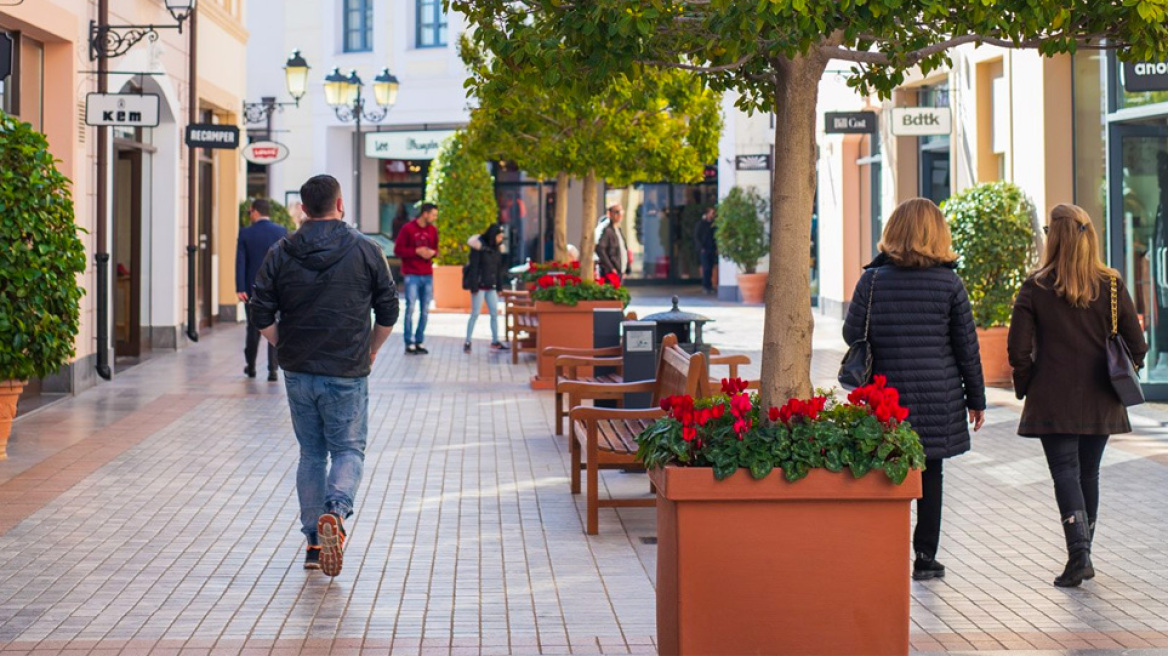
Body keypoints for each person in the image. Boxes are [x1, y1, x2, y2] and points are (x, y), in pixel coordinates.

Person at [250, 175, 399, 577]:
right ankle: (336, 511)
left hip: (299, 369)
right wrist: (371, 348)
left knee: (312, 453)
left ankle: (315, 543)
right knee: (349, 449)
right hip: (347, 368)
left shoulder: (281, 251)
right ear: (340, 204)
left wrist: (283, 344)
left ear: (302, 208)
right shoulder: (367, 250)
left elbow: (259, 310)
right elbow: (389, 309)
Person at [843, 197, 986, 582]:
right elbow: (966, 348)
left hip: (885, 395)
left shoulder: (872, 280)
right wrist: (977, 400)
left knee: (885, 469)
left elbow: (851, 333)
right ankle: (925, 557)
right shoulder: (949, 283)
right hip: (938, 396)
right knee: (930, 473)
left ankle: (883, 551)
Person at [1007, 204, 1147, 588]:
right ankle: (1083, 553)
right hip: (1102, 397)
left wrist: (1027, 383)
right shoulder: (1113, 285)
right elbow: (1138, 345)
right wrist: (1119, 372)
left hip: (1053, 398)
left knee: (1065, 473)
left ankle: (1079, 555)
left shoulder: (1035, 286)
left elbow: (1017, 350)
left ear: (1053, 238)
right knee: (1088, 472)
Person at [235, 198, 287, 381]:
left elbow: (241, 261)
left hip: (252, 288)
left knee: (253, 327)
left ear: (255, 211)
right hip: (276, 289)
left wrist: (240, 287)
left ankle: (251, 366)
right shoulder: (281, 231)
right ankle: (273, 370)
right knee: (274, 325)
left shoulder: (246, 233)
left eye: (250, 212)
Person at [394, 203, 439, 355]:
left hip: (427, 274)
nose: (434, 218)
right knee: (410, 308)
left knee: (425, 310)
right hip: (411, 274)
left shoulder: (433, 230)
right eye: (433, 214)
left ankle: (419, 341)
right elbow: (398, 250)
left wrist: (431, 253)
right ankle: (409, 342)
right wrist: (416, 251)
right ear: (425, 213)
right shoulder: (408, 228)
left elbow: (437, 249)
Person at [462, 223, 510, 353]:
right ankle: (468, 340)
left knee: (494, 313)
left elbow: (498, 269)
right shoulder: (479, 247)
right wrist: (474, 286)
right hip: (480, 285)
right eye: (499, 236)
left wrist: (499, 287)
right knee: (475, 313)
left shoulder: (497, 249)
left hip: (492, 286)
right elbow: (474, 267)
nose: (501, 239)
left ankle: (495, 340)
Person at [597, 204, 629, 281]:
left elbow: (623, 249)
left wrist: (626, 268)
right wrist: (611, 268)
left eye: (621, 212)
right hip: (612, 273)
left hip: (619, 271)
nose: (620, 214)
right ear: (610, 214)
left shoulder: (618, 229)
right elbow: (600, 249)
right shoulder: (608, 231)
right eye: (617, 212)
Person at [695, 206, 718, 294]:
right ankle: (705, 286)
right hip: (704, 250)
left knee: (710, 268)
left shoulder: (713, 224)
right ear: (707, 213)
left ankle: (709, 286)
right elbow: (696, 236)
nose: (713, 215)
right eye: (712, 213)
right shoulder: (701, 224)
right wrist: (701, 248)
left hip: (711, 249)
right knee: (706, 268)